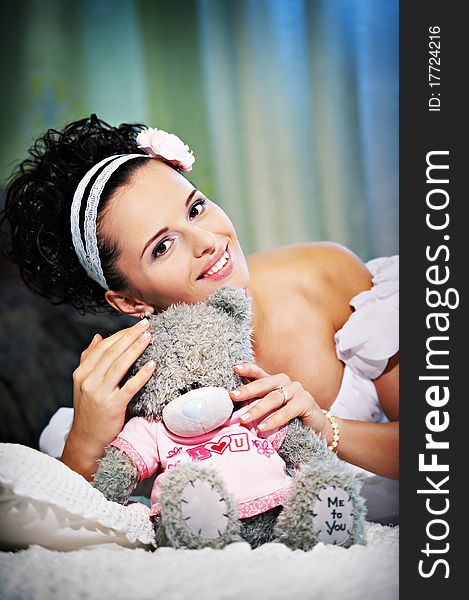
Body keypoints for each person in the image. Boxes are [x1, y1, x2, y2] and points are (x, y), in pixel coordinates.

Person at [0, 115, 399, 497]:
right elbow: (75, 526)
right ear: (128, 301)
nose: (206, 239)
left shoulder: (324, 274)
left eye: (195, 208)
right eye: (163, 246)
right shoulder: (135, 386)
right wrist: (85, 442)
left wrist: (327, 428)